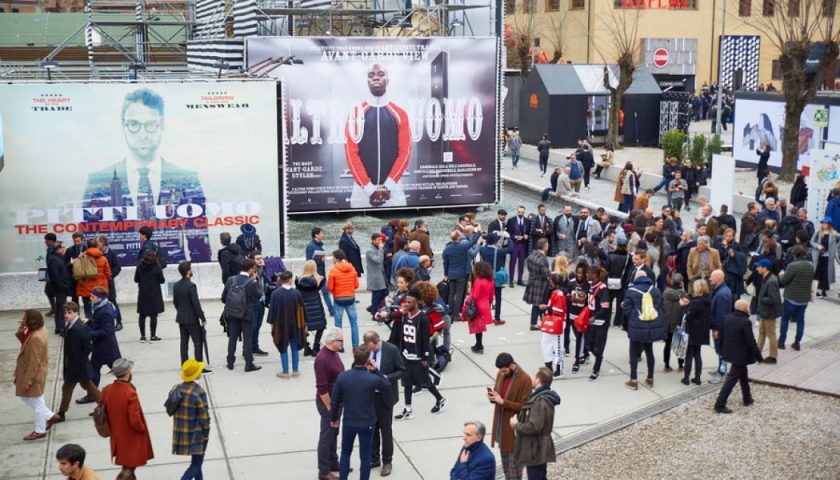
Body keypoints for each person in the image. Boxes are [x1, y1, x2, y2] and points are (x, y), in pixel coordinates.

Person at [81, 88, 211, 264]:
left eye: (150, 124)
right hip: (122, 266)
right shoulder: (98, 180)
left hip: (171, 265)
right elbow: (90, 233)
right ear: (123, 126)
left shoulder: (187, 178)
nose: (142, 134)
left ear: (162, 125)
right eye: (134, 124)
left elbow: (199, 240)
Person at [346, 63, 410, 208]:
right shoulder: (356, 113)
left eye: (381, 74)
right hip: (361, 190)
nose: (376, 78)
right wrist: (369, 188)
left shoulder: (400, 114)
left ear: (388, 80)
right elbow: (351, 153)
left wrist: (388, 186)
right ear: (367, 81)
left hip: (393, 189)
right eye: (371, 75)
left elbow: (405, 153)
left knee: (397, 229)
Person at [330, 346, 392, 480]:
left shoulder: (343, 376)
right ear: (367, 361)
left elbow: (334, 401)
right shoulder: (372, 379)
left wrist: (334, 418)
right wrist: (376, 371)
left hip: (349, 422)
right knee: (365, 456)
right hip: (367, 422)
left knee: (345, 453)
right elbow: (387, 386)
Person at [393, 288, 447, 419]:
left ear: (416, 303)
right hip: (406, 355)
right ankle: (408, 409)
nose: (407, 304)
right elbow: (393, 317)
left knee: (425, 383)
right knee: (406, 383)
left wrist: (425, 357)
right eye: (406, 301)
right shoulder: (405, 315)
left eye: (410, 302)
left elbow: (425, 339)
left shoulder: (422, 319)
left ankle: (440, 399)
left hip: (418, 357)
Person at [99, 358, 153, 479]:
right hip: (131, 436)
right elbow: (135, 420)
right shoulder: (130, 392)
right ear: (127, 373)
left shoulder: (107, 389)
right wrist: (142, 429)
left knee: (129, 466)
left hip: (117, 434)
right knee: (129, 467)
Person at [363, 332, 404, 477]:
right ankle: (374, 458)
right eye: (369, 349)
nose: (371, 351)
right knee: (372, 429)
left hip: (385, 398)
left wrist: (386, 377)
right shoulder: (365, 350)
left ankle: (387, 461)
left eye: (372, 348)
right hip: (370, 397)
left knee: (386, 430)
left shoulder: (391, 350)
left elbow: (401, 371)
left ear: (378, 341)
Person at [15, 309, 59, 441]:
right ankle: (50, 416)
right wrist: (21, 332)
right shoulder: (39, 330)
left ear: (31, 321)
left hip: (34, 373)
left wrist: (28, 380)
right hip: (34, 371)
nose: (22, 320)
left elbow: (35, 361)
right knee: (30, 398)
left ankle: (40, 430)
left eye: (24, 318)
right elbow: (25, 343)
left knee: (36, 401)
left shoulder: (36, 337)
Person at [510, 367, 561, 480]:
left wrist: (516, 425)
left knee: (536, 476)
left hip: (535, 449)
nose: (532, 379)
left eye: (534, 377)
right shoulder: (543, 397)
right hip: (538, 448)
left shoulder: (539, 401)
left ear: (538, 380)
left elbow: (534, 427)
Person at [713, 300, 763, 414]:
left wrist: (721, 351)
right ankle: (719, 404)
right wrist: (759, 357)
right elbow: (751, 341)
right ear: (744, 309)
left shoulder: (726, 318)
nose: (749, 309)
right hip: (740, 356)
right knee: (731, 380)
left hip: (729, 353)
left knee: (743, 375)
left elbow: (721, 337)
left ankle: (747, 398)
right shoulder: (745, 322)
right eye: (748, 307)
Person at [488, 353, 532, 480]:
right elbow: (499, 395)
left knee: (515, 468)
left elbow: (525, 406)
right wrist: (493, 397)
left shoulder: (525, 379)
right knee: (506, 466)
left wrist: (503, 402)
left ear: (512, 365)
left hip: (515, 429)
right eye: (500, 370)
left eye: (504, 370)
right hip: (503, 428)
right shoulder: (501, 374)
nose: (502, 372)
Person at [54, 302, 100, 423]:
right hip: (75, 366)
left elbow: (88, 347)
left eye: (69, 313)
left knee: (74, 388)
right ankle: (62, 413)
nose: (66, 315)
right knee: (85, 388)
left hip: (78, 366)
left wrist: (79, 361)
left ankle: (62, 413)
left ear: (76, 313)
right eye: (65, 313)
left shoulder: (79, 328)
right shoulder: (71, 325)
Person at [622, 271, 666, 390]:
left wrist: (635, 317)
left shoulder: (631, 291)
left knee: (633, 352)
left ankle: (634, 379)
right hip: (651, 326)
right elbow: (661, 307)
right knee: (649, 351)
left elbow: (626, 309)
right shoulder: (655, 290)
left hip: (636, 326)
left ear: (636, 278)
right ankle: (650, 378)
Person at [221, 258, 263, 372]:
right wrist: (255, 281)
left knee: (233, 337)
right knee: (247, 338)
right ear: (251, 269)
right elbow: (259, 295)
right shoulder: (250, 283)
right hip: (246, 313)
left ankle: (230, 362)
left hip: (232, 313)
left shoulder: (230, 280)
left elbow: (224, 297)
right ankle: (248, 364)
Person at [172, 358, 211, 480]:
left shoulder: (178, 388)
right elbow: (204, 417)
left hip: (182, 432)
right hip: (197, 433)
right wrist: (206, 432)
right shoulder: (198, 392)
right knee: (196, 464)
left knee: (196, 462)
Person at [315, 328, 345, 480]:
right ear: (333, 342)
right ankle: (324, 471)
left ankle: (333, 462)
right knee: (326, 436)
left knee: (334, 433)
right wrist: (331, 409)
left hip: (337, 403)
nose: (342, 342)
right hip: (329, 404)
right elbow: (322, 388)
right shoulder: (322, 359)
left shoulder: (333, 353)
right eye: (341, 340)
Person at [268, 271, 308, 378]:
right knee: (294, 348)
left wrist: (272, 326)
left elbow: (272, 311)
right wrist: (304, 325)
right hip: (295, 326)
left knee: (283, 347)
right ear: (290, 280)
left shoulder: (275, 294)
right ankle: (295, 371)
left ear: (280, 280)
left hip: (281, 326)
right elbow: (301, 310)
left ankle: (285, 372)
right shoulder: (297, 293)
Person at [778, 245, 816, 351]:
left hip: (791, 297)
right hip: (804, 299)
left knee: (785, 319)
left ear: (794, 255)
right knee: (800, 320)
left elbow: (784, 281)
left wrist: (781, 274)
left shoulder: (792, 266)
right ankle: (797, 342)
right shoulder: (810, 265)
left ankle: (781, 341)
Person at [173, 261, 209, 369]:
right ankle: (199, 366)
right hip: (191, 318)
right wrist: (202, 317)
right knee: (198, 342)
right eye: (191, 269)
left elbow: (175, 302)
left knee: (184, 342)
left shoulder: (176, 285)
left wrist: (181, 311)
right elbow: (196, 303)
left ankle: (184, 364)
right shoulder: (191, 286)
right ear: (188, 271)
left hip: (181, 317)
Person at [443, 228, 481, 319]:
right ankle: (456, 314)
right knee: (459, 294)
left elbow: (445, 263)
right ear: (459, 237)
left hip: (451, 273)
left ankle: (450, 312)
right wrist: (478, 231)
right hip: (462, 273)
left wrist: (446, 274)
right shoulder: (463, 246)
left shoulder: (447, 248)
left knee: (451, 293)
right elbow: (473, 241)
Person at [679, 279, 711, 385]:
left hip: (693, 331)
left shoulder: (697, 302)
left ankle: (686, 378)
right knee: (697, 354)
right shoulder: (707, 300)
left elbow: (688, 316)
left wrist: (683, 306)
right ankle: (697, 378)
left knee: (689, 355)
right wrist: (689, 304)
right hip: (702, 332)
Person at [327, 249, 361, 349]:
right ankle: (355, 346)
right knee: (354, 323)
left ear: (337, 259)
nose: (332, 259)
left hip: (338, 299)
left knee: (338, 324)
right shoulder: (352, 268)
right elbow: (356, 285)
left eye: (333, 257)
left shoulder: (333, 271)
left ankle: (340, 347)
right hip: (350, 298)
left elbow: (330, 288)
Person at [88, 287, 121, 388]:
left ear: (99, 298)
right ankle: (93, 394)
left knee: (95, 369)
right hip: (106, 346)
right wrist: (89, 322)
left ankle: (93, 394)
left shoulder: (105, 312)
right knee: (116, 369)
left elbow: (106, 331)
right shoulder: (101, 306)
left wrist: (89, 333)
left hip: (104, 346)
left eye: (93, 296)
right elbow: (99, 323)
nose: (90, 298)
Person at [479, 231, 513, 324]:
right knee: (498, 298)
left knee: (485, 298)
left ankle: (484, 317)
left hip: (485, 277)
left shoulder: (482, 250)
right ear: (495, 241)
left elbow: (484, 246)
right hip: (495, 278)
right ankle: (497, 318)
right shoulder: (498, 251)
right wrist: (508, 237)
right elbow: (511, 248)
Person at [753, 259, 782, 364]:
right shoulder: (766, 278)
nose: (756, 268)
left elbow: (774, 299)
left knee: (771, 334)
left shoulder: (771, 281)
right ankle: (757, 354)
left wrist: (761, 299)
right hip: (765, 311)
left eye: (758, 266)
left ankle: (773, 357)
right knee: (761, 332)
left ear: (765, 268)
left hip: (770, 313)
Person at [585, 266, 611, 381]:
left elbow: (605, 306)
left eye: (589, 273)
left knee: (598, 348)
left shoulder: (603, 288)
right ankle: (599, 357)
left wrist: (595, 316)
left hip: (601, 322)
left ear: (595, 274)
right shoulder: (591, 286)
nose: (587, 275)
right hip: (591, 321)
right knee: (588, 345)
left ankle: (596, 370)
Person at [538, 275, 567, 379]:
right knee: (545, 344)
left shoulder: (558, 293)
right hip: (551, 323)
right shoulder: (554, 292)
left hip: (557, 324)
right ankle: (548, 366)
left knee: (557, 347)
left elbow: (559, 310)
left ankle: (559, 370)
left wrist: (546, 307)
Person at [75, 238, 112, 319]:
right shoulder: (103, 258)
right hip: (99, 288)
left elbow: (77, 271)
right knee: (100, 306)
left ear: (87, 246)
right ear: (96, 246)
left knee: (87, 307)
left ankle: (89, 322)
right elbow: (108, 273)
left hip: (85, 287)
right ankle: (99, 321)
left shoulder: (82, 257)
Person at [134, 249, 164, 343]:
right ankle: (153, 336)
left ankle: (142, 336)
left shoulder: (139, 267)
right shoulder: (157, 267)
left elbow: (136, 279)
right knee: (153, 316)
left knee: (142, 315)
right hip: (154, 294)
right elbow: (162, 280)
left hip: (143, 294)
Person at [298, 260, 328, 357]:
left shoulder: (298, 280)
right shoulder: (320, 279)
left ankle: (306, 347)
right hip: (316, 304)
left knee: (304, 326)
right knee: (321, 325)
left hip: (303, 305)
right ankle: (316, 346)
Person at [465, 261, 495, 354]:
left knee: (477, 328)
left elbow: (475, 296)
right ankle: (478, 344)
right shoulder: (490, 281)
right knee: (480, 327)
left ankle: (479, 345)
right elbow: (491, 295)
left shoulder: (478, 282)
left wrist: (467, 302)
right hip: (485, 306)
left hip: (477, 306)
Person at [524, 238, 551, 332]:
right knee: (539, 304)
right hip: (541, 284)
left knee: (537, 304)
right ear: (545, 247)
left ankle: (537, 322)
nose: (549, 246)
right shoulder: (542, 259)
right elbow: (546, 274)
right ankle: (535, 323)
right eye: (547, 245)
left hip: (532, 281)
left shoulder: (531, 256)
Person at [307, 227, 335, 317]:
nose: (323, 235)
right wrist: (320, 259)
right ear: (316, 235)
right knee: (315, 294)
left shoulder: (319, 245)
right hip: (315, 274)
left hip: (321, 273)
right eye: (321, 233)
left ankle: (331, 310)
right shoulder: (311, 246)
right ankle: (329, 310)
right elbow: (309, 261)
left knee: (325, 292)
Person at [96, 235, 123, 331]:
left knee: (113, 302)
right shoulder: (96, 253)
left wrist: (110, 276)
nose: (96, 243)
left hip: (109, 283)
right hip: (98, 283)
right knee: (99, 303)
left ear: (102, 243)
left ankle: (119, 322)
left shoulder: (111, 253)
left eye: (97, 242)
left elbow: (118, 267)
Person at [662, 273, 688, 372]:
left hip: (668, 324)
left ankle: (666, 365)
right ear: (681, 282)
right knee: (681, 345)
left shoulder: (666, 293)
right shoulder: (684, 296)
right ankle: (681, 366)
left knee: (667, 345)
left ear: (672, 281)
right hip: (679, 324)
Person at [48, 241, 72, 335]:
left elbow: (62, 270)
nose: (64, 249)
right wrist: (62, 286)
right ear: (58, 250)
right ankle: (61, 328)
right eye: (62, 247)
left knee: (59, 307)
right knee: (61, 308)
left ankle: (59, 327)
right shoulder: (54, 259)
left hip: (61, 287)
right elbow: (55, 275)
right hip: (59, 288)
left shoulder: (58, 258)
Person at [811, 218, 839, 298]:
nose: (823, 224)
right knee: (817, 272)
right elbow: (811, 241)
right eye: (823, 223)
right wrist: (817, 246)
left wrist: (835, 248)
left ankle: (824, 290)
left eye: (825, 223)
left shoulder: (834, 233)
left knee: (826, 273)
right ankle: (815, 290)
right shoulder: (818, 232)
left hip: (828, 256)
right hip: (818, 255)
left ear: (829, 225)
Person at [507, 206, 531, 287]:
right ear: (517, 212)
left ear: (524, 212)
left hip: (523, 245)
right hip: (514, 244)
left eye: (522, 212)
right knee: (512, 262)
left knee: (522, 263)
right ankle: (511, 280)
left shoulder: (528, 221)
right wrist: (515, 237)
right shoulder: (511, 220)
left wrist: (527, 236)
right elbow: (508, 233)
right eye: (519, 212)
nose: (520, 213)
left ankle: (520, 280)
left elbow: (529, 232)